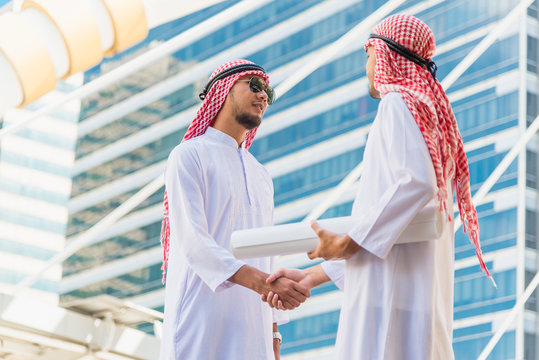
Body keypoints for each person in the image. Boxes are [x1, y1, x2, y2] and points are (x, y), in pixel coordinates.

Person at [264, 15, 494, 359]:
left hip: (390, 303)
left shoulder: (397, 104)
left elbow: (414, 183)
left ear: (384, 54)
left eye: (368, 56)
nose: (367, 68)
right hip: (410, 299)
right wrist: (311, 276)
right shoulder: (429, 119)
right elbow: (390, 231)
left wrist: (347, 242)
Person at [159, 59, 310, 360]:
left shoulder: (261, 175)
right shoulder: (188, 156)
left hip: (253, 334)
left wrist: (274, 335)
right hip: (198, 326)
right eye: (254, 86)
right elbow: (194, 243)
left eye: (268, 90)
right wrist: (264, 284)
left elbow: (268, 255)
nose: (264, 95)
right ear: (224, 90)